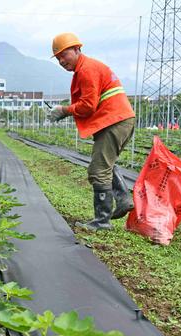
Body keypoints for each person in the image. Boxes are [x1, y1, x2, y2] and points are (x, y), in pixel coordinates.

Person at [49, 32, 135, 231]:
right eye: (58, 58)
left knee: (98, 170)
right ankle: (123, 200)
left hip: (114, 121)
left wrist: (64, 110)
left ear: (77, 49)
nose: (62, 60)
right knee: (106, 164)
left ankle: (102, 222)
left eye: (64, 54)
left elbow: (88, 106)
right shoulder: (86, 69)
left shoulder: (87, 69)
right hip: (117, 120)